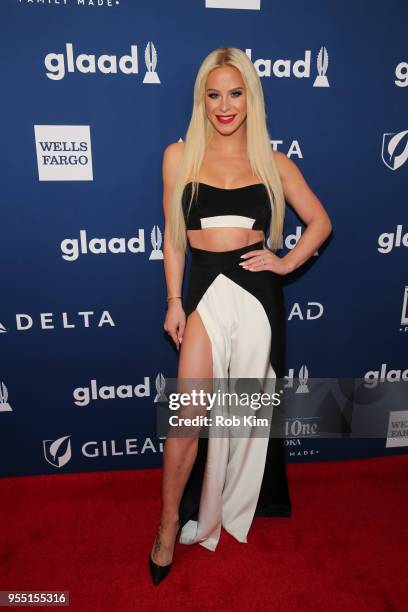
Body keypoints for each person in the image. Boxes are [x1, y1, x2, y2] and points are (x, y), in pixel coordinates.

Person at [149, 46, 332, 585]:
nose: (225, 106)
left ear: (250, 98)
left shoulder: (273, 163)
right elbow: (174, 239)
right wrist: (174, 301)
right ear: (201, 100)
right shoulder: (177, 157)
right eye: (214, 95)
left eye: (236, 93)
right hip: (204, 287)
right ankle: (166, 525)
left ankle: (231, 501)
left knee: (243, 414)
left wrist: (286, 261)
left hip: (256, 293)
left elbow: (320, 221)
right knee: (188, 413)